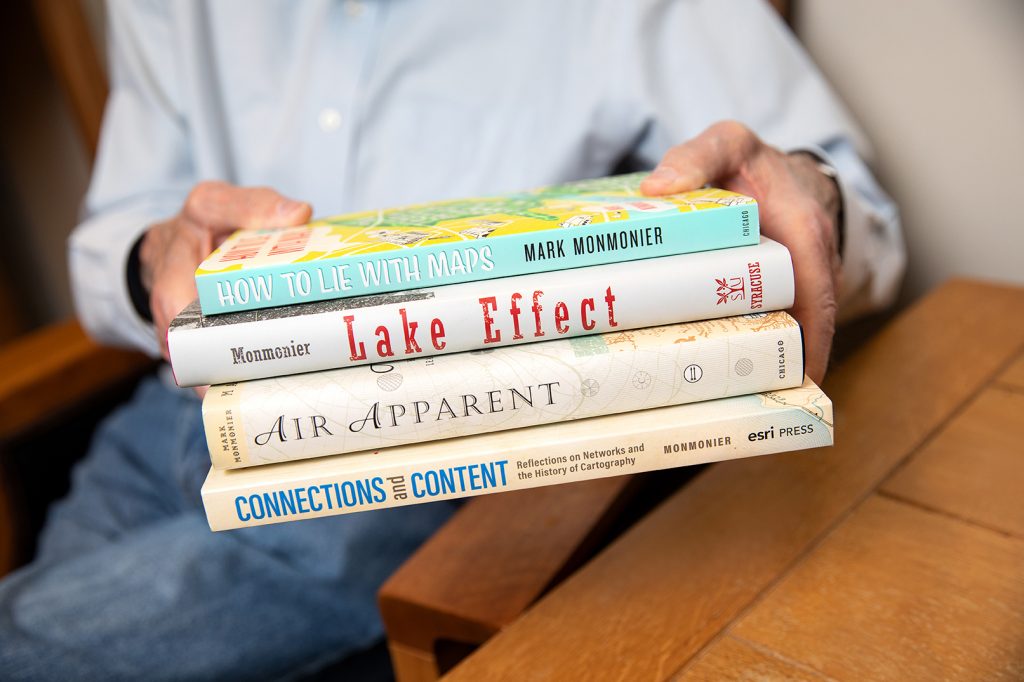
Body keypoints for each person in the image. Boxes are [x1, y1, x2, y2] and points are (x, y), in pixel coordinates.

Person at [0, 1, 904, 679]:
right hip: (161, 421)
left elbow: (858, 217)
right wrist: (150, 255)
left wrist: (808, 195)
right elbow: (110, 234)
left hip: (404, 450)